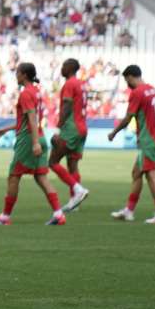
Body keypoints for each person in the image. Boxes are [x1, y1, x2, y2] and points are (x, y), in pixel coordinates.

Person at [0, 63, 66, 226]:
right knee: (41, 177)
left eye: (17, 73)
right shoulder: (37, 93)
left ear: (24, 75)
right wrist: (6, 129)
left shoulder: (26, 94)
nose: (16, 76)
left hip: (29, 140)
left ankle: (5, 217)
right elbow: (28, 119)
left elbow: (32, 119)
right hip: (40, 136)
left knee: (14, 176)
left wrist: (35, 143)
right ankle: (59, 214)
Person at [107, 65, 155, 223]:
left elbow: (128, 118)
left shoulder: (137, 93)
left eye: (127, 81)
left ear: (132, 77)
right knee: (137, 172)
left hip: (149, 140)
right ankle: (129, 211)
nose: (127, 84)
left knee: (151, 175)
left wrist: (114, 132)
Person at [49, 58, 91, 212]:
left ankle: (78, 190)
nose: (61, 68)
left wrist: (58, 129)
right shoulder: (81, 84)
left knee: (53, 162)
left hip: (70, 129)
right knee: (72, 165)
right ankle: (75, 202)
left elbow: (67, 106)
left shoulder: (69, 84)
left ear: (70, 68)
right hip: (82, 128)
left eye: (63, 65)